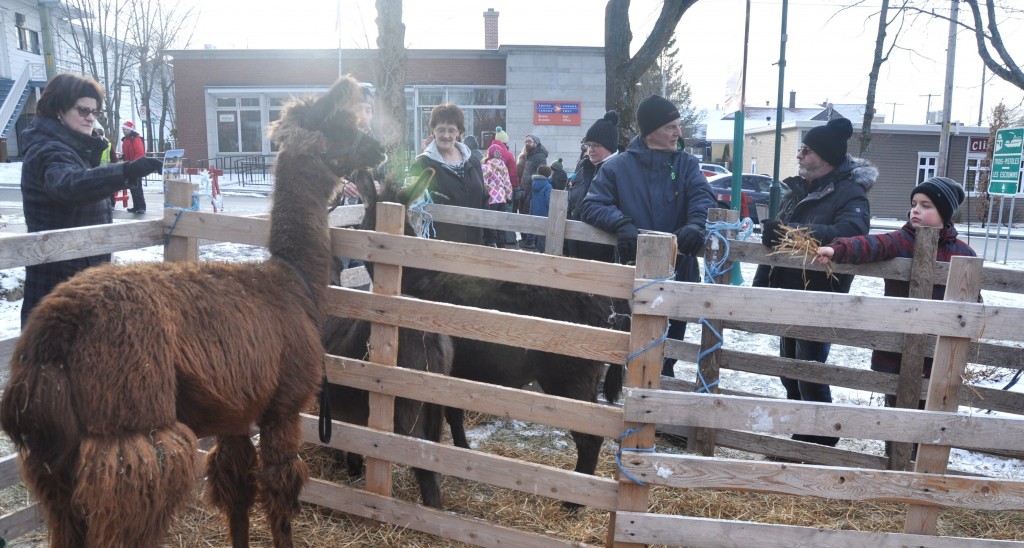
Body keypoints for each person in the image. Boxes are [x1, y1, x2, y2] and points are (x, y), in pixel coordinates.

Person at [752, 116, 877, 447]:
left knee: (810, 370)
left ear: (826, 156)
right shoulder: (800, 189)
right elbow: (778, 238)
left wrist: (794, 234)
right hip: (789, 291)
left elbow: (851, 234)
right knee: (789, 369)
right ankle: (802, 434)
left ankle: (820, 441)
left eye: (805, 150)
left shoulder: (850, 194)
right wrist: (763, 280)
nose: (799, 156)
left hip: (821, 295)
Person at [579, 95, 716, 378]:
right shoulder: (618, 167)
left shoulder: (686, 165)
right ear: (651, 130)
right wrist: (620, 223)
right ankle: (631, 408)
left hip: (679, 272)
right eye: (671, 127)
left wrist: (696, 224)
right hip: (633, 273)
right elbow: (591, 205)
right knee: (631, 346)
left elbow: (703, 196)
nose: (679, 133)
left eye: (678, 126)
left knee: (670, 350)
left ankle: (662, 405)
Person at [814, 177, 975, 409]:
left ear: (944, 213)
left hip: (939, 353)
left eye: (926, 205)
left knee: (932, 411)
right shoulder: (901, 240)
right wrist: (836, 249)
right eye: (914, 204)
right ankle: (895, 446)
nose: (915, 210)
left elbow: (972, 297)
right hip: (895, 348)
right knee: (896, 408)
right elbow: (870, 245)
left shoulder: (963, 253)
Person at [20, 73, 162, 326]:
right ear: (58, 110)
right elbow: (68, 185)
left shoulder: (75, 147)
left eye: (95, 112)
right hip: (59, 280)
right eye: (83, 110)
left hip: (81, 274)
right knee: (54, 360)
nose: (90, 117)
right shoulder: (50, 149)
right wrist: (126, 171)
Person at [410, 103, 486, 245]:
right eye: (441, 130)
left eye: (451, 130)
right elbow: (412, 209)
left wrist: (490, 240)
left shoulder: (473, 162)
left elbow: (484, 200)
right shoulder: (422, 165)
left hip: (475, 246)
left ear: (459, 132)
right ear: (433, 131)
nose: (446, 135)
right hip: (439, 249)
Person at [567, 110, 620, 262]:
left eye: (596, 145)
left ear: (609, 145)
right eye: (588, 145)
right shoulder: (583, 168)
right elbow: (572, 207)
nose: (591, 150)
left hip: (605, 256)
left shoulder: (621, 171)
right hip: (576, 251)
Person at [517, 134, 548, 248]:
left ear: (536, 143)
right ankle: (525, 238)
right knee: (524, 213)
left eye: (529, 141)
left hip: (532, 190)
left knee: (530, 214)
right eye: (525, 141)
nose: (527, 143)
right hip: (525, 189)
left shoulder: (539, 156)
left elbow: (542, 172)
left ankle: (531, 241)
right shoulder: (528, 155)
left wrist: (534, 184)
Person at [482, 143, 513, 247]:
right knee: (501, 222)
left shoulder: (486, 167)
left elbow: (484, 183)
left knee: (491, 221)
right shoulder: (503, 166)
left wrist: (483, 196)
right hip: (502, 197)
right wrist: (509, 196)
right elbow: (507, 182)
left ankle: (492, 242)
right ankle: (501, 243)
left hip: (491, 199)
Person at [120, 120, 147, 213]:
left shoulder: (136, 139)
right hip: (130, 166)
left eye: (124, 129)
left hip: (136, 166)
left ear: (129, 129)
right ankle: (136, 206)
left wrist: (133, 165)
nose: (123, 131)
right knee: (133, 187)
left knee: (137, 187)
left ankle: (141, 207)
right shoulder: (127, 140)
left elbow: (139, 153)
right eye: (122, 129)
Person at [530, 164, 553, 252]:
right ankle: (542, 252)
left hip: (535, 210)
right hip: (544, 212)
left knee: (536, 232)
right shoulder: (548, 186)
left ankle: (535, 248)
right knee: (543, 235)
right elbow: (549, 201)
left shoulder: (534, 183)